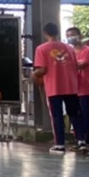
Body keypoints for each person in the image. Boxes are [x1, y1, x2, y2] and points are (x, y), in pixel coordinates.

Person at [33, 22, 81, 154]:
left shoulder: (41, 49)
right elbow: (76, 66)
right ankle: (81, 141)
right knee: (75, 114)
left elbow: (43, 69)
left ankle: (60, 144)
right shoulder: (69, 48)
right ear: (58, 32)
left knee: (57, 116)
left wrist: (34, 74)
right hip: (70, 85)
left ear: (45, 33)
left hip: (54, 86)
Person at [68, 26, 89, 154]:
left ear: (80, 36)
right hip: (72, 88)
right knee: (75, 115)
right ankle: (80, 140)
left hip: (86, 88)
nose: (71, 38)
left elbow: (80, 65)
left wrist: (64, 66)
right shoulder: (69, 52)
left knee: (88, 115)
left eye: (73, 35)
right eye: (68, 35)